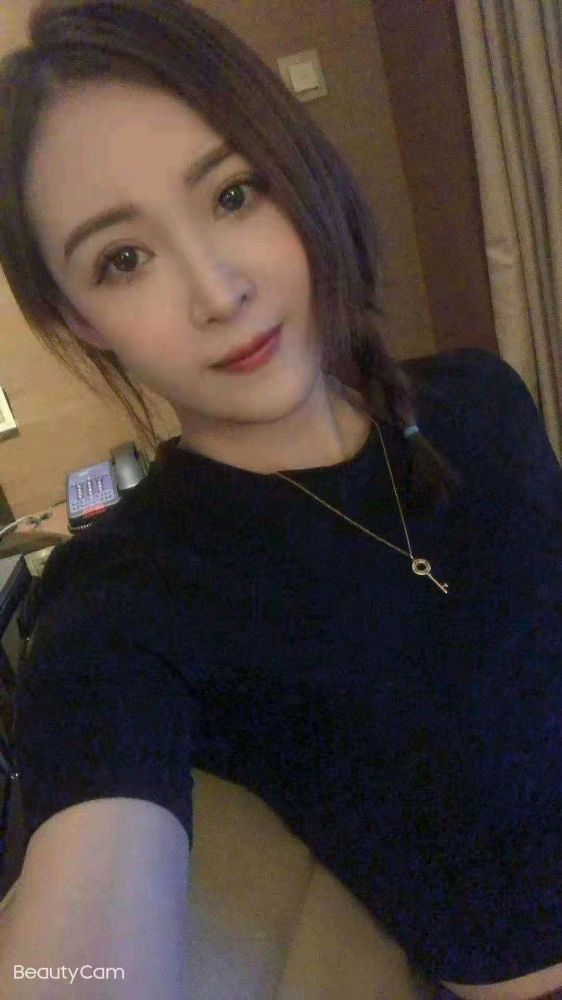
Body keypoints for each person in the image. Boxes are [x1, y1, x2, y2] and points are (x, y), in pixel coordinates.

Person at [0, 1, 561, 998]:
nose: (217, 293)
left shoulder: (481, 399)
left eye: (232, 194)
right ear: (80, 318)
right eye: (123, 258)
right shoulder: (121, 603)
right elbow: (82, 956)